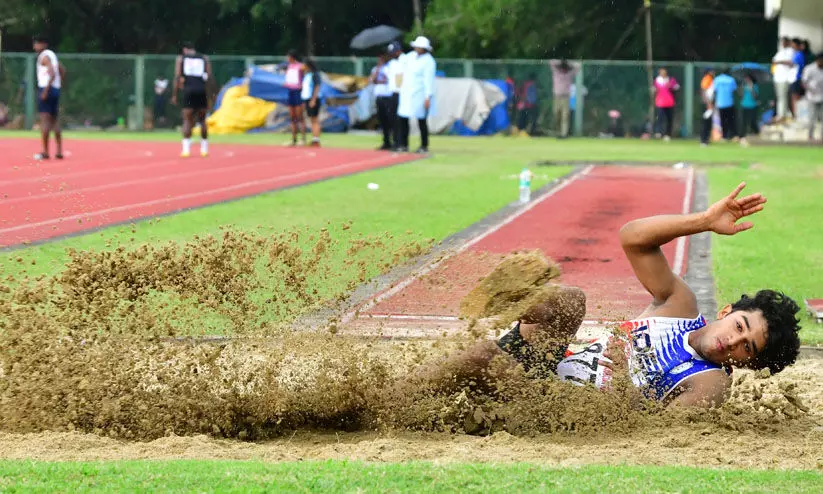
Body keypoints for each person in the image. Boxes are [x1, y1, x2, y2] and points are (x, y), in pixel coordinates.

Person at [413, 182, 800, 408]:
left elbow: (662, 436)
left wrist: (618, 392)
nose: (731, 341)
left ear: (747, 363)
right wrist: (702, 222)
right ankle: (511, 298)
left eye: (746, 349)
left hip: (552, 403)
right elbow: (633, 237)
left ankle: (380, 409)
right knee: (571, 301)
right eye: (740, 326)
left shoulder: (712, 382)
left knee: (481, 358)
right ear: (729, 310)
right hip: (544, 359)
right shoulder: (680, 306)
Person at [171, 42, 212, 158]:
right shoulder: (204, 58)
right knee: (202, 120)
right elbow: (209, 77)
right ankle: (204, 149)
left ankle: (186, 150)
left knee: (187, 119)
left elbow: (177, 77)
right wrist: (210, 96)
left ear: (184, 49)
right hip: (201, 90)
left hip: (188, 90)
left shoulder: (181, 58)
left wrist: (174, 94)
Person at [397, 36, 436, 154]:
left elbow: (428, 80)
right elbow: (401, 62)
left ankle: (424, 145)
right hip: (407, 92)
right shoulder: (410, 57)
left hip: (420, 93)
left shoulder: (429, 61)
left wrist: (428, 96)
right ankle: (404, 144)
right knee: (403, 118)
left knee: (421, 120)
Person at [32, 35, 67, 160]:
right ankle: (59, 151)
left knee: (45, 120)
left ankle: (45, 152)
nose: (35, 46)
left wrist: (46, 90)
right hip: (55, 89)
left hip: (47, 88)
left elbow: (52, 72)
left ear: (43, 45)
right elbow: (62, 70)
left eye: (36, 44)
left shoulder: (44, 57)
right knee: (55, 120)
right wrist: (59, 84)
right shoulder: (52, 55)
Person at [549, 59, 578, 139]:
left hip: (565, 97)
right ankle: (558, 132)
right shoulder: (556, 73)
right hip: (557, 97)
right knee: (556, 114)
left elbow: (578, 66)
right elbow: (551, 62)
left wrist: (568, 62)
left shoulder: (569, 74)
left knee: (565, 116)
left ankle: (564, 134)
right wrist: (561, 62)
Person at [384, 42, 405, 151]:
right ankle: (395, 142)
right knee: (393, 119)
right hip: (392, 92)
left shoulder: (405, 60)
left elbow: (401, 77)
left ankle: (401, 143)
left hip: (401, 93)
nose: (392, 55)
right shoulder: (391, 63)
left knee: (400, 120)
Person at [283, 50, 306, 146]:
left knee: (300, 116)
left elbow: (306, 75)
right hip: (290, 91)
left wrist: (302, 84)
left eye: (288, 57)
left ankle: (303, 139)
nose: (287, 59)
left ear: (292, 57)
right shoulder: (288, 67)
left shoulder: (300, 66)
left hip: (298, 92)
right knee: (292, 117)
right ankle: (293, 139)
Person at [371, 54, 393, 150]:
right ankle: (386, 141)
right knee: (382, 120)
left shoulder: (389, 68)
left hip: (387, 96)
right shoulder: (375, 69)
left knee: (390, 120)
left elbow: (388, 80)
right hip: (378, 96)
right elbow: (372, 80)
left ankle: (393, 140)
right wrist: (377, 70)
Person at [771, 37, 795, 124]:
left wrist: (779, 62)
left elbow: (790, 62)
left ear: (788, 42)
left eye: (784, 42)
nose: (782, 43)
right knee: (779, 97)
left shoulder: (790, 51)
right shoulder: (781, 51)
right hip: (778, 77)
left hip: (784, 78)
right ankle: (780, 114)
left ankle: (782, 115)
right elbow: (773, 61)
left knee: (783, 97)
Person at [711, 69, 738, 141]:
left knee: (723, 121)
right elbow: (734, 90)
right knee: (731, 120)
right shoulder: (731, 79)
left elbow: (714, 90)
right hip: (729, 103)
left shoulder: (717, 79)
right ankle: (733, 135)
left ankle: (725, 136)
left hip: (720, 103)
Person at [801, 53, 823, 143]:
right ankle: (810, 136)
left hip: (822, 95)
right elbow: (804, 82)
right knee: (812, 117)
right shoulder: (810, 68)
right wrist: (810, 90)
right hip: (812, 96)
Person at [653, 67, 680, 141]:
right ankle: (658, 132)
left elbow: (677, 87)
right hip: (660, 103)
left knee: (669, 119)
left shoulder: (671, 80)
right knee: (659, 118)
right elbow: (654, 90)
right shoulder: (657, 81)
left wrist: (671, 86)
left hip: (670, 103)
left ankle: (667, 134)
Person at [301, 59, 322, 147]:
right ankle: (314, 139)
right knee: (312, 119)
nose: (302, 66)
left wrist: (313, 100)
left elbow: (317, 87)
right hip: (307, 99)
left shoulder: (315, 74)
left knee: (315, 119)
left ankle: (316, 139)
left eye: (304, 64)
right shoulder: (307, 75)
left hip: (313, 99)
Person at [740, 73, 759, 144]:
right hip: (744, 105)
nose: (746, 80)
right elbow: (741, 95)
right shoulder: (744, 86)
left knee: (752, 121)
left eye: (748, 78)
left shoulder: (755, 86)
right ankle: (742, 136)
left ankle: (756, 133)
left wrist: (751, 89)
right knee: (743, 122)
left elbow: (755, 97)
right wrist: (742, 89)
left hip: (752, 106)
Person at [790, 38, 806, 117]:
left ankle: (796, 115)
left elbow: (792, 64)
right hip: (795, 78)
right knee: (794, 97)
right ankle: (795, 114)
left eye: (792, 44)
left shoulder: (799, 54)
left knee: (795, 97)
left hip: (797, 78)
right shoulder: (797, 54)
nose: (791, 45)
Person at [699, 69, 716, 146]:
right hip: (706, 104)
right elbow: (703, 91)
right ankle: (703, 140)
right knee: (705, 122)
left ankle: (706, 139)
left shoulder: (711, 79)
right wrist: (708, 104)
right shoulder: (707, 78)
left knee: (709, 122)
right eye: (712, 71)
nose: (714, 72)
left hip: (709, 103)